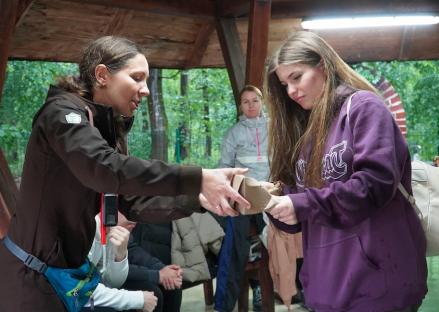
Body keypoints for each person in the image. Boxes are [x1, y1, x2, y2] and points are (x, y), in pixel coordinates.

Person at [0, 36, 249, 312]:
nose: (145, 90)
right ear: (102, 75)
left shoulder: (104, 130)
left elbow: (133, 200)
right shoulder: (61, 115)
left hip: (64, 281)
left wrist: (198, 199)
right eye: (137, 78)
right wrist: (197, 176)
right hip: (29, 279)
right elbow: (105, 168)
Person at [264, 31, 427, 312]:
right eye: (284, 84)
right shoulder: (305, 132)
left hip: (377, 284)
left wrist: (300, 203)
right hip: (325, 290)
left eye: (296, 77)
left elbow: (374, 184)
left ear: (323, 67)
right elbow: (304, 215)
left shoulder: (364, 108)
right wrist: (270, 200)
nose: (290, 91)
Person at [215, 85, 269, 312]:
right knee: (234, 247)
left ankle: (296, 290)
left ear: (262, 102)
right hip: (244, 196)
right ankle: (223, 306)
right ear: (240, 106)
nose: (250, 105)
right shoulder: (234, 132)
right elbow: (223, 167)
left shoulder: (275, 128)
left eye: (254, 100)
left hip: (269, 196)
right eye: (245, 101)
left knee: (287, 237)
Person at [83, 212, 157, 312]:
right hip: (64, 298)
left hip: (80, 294)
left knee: (153, 291)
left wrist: (120, 255)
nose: (134, 218)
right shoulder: (85, 226)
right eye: (125, 208)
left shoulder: (110, 229)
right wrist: (137, 299)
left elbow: (112, 283)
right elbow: (78, 290)